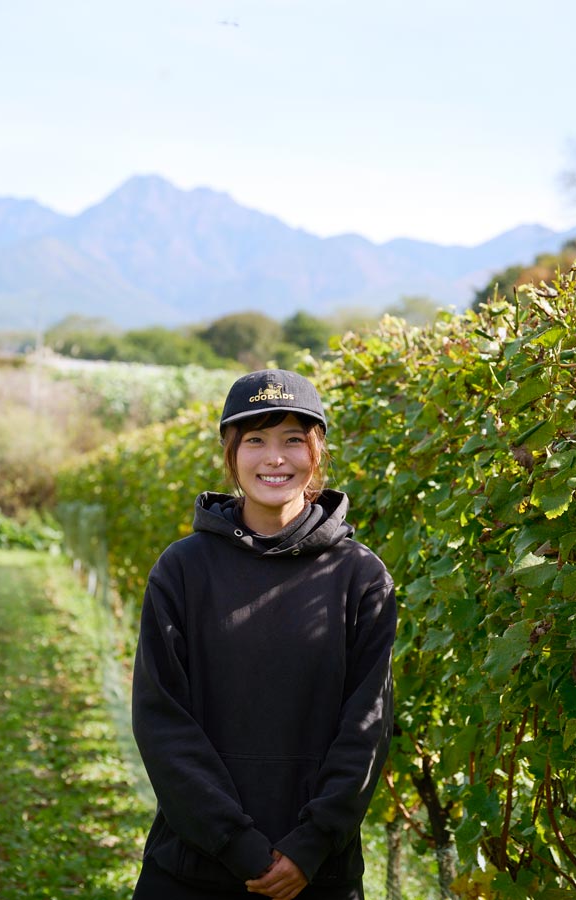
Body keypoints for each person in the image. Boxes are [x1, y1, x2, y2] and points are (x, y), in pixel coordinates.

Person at [131, 368, 397, 900]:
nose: (274, 458)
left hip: (319, 875)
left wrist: (310, 846)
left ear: (316, 453)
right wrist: (237, 845)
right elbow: (162, 720)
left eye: (292, 440)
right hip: (192, 866)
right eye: (255, 440)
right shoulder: (182, 570)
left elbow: (366, 728)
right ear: (231, 455)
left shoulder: (361, 577)